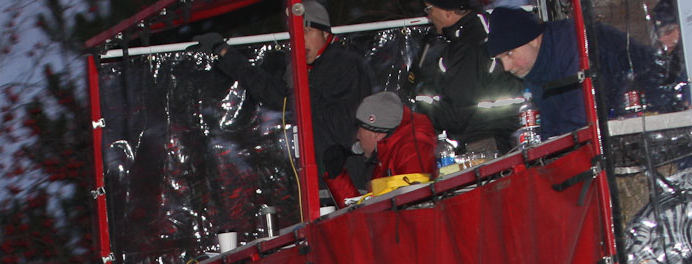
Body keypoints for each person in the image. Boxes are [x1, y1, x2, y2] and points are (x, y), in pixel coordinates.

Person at [192, 0, 374, 174]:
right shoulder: (306, 69)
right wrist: (225, 52)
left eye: (307, 31)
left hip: (346, 179)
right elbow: (270, 91)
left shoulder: (345, 65)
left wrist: (300, 90)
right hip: (321, 179)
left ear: (325, 33)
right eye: (295, 35)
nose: (300, 40)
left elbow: (344, 125)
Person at [486, 6, 676, 139]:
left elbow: (581, 116)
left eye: (509, 54)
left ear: (533, 39)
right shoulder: (533, 64)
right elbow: (551, 125)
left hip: (653, 121)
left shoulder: (572, 43)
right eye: (501, 59)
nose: (507, 66)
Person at [411, 0, 521, 156]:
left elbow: (457, 115)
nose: (428, 16)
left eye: (429, 9)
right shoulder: (482, 29)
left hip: (483, 145)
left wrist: (420, 97)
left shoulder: (467, 47)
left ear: (448, 10)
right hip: (500, 136)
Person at [326, 91, 439, 205]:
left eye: (360, 128)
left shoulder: (412, 151)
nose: (357, 135)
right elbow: (369, 213)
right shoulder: (385, 155)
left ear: (376, 133)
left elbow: (415, 212)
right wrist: (337, 177)